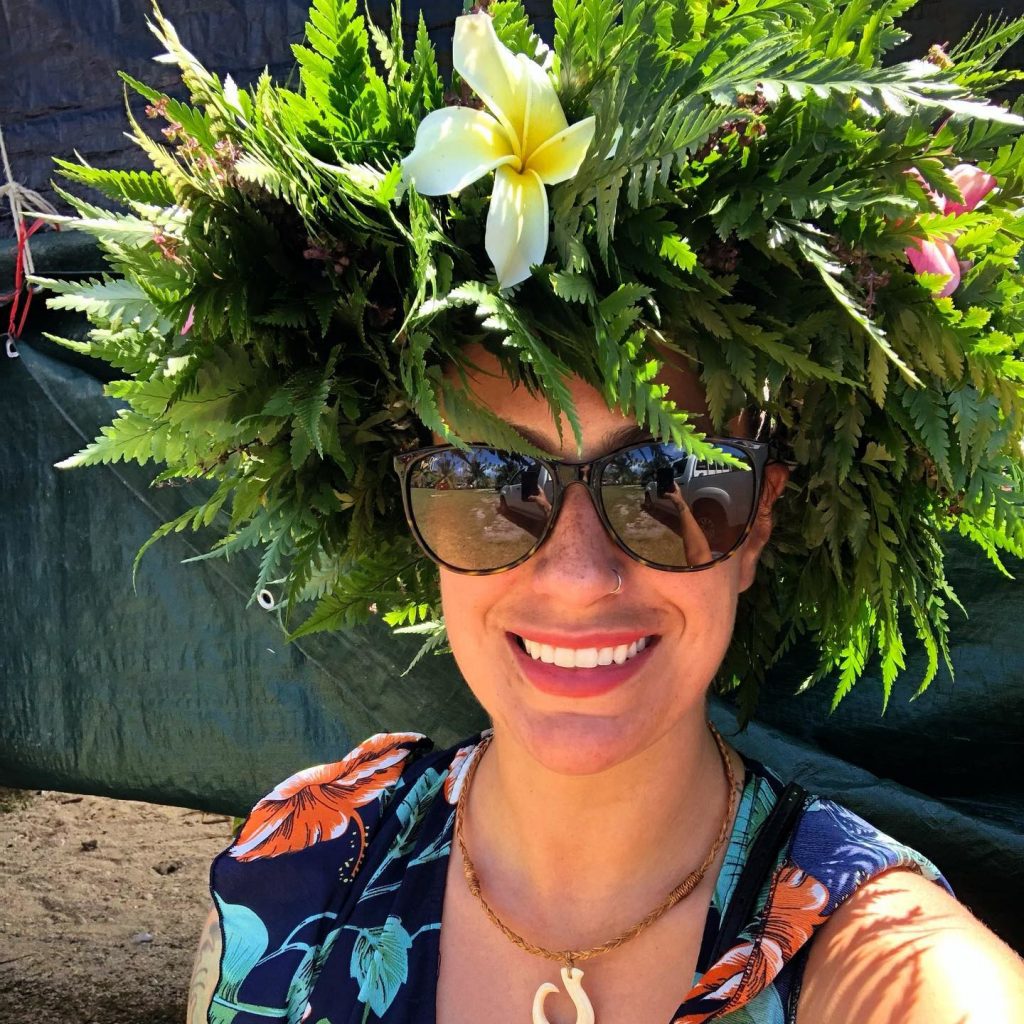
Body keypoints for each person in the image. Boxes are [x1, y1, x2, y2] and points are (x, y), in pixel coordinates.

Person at [38, 0, 1024, 1020]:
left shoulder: (866, 955)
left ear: (757, 521)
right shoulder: (302, 861)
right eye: (489, 483)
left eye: (671, 481)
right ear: (410, 508)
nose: (578, 573)